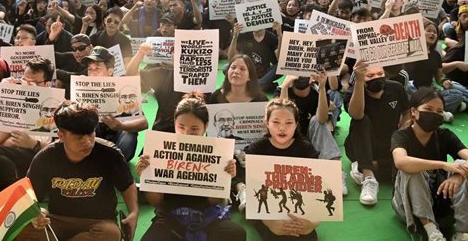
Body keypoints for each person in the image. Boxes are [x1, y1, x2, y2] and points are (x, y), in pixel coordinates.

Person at [17, 101, 138, 241]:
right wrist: (37, 214)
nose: (87, 142)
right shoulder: (46, 156)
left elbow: (127, 184)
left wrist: (134, 212)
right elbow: (29, 196)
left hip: (98, 223)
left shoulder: (110, 153)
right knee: (23, 229)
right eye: (79, 137)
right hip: (57, 220)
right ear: (61, 136)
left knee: (111, 233)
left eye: (90, 133)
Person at [136, 93, 245, 240]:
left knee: (235, 234)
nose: (186, 133)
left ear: (205, 126)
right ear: (174, 123)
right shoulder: (158, 149)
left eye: (194, 129)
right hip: (170, 217)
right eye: (181, 127)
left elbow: (213, 201)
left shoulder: (218, 153)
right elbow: (157, 202)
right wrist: (146, 176)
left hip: (207, 217)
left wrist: (225, 178)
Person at [391, 88, 468, 241]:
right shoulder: (402, 135)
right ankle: (432, 232)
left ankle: (463, 232)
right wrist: (443, 165)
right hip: (409, 209)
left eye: (439, 111)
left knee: (462, 165)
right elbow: (401, 162)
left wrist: (459, 176)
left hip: (442, 208)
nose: (434, 114)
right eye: (428, 109)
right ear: (414, 112)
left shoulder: (445, 135)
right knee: (412, 169)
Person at [241, 98, 319, 239]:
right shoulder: (256, 149)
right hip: (265, 207)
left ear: (296, 124)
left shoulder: (306, 149)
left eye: (288, 123)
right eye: (276, 122)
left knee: (306, 236)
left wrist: (311, 224)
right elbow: (255, 191)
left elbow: (315, 192)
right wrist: (269, 222)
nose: (282, 128)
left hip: (297, 204)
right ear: (267, 123)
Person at [0, 57, 54, 190]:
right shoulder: (19, 99)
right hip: (17, 153)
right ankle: (16, 181)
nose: (27, 86)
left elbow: (61, 148)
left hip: (41, 155)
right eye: (24, 81)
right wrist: (2, 91)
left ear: (47, 84)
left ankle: (15, 181)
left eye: (33, 83)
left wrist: (33, 144)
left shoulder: (56, 104)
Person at [345, 60, 410, 206]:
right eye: (370, 75)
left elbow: (407, 113)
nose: (376, 78)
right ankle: (368, 175)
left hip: (388, 143)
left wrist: (402, 131)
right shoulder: (354, 92)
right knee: (361, 120)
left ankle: (364, 166)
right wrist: (360, 82)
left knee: (407, 163)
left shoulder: (397, 88)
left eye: (380, 74)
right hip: (361, 144)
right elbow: (356, 114)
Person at [279, 72, 349, 196]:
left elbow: (322, 118)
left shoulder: (317, 93)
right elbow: (281, 119)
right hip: (290, 138)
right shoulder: (282, 92)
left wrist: (322, 88)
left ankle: (337, 173)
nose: (300, 76)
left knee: (317, 120)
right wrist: (284, 87)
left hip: (311, 137)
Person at [82, 47, 148, 161]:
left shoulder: (123, 89)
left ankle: (117, 163)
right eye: (90, 69)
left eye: (97, 68)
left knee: (130, 133)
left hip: (119, 140)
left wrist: (121, 125)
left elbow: (144, 123)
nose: (93, 74)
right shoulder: (81, 90)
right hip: (94, 139)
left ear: (110, 71)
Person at [228, 22, 282, 93]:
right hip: (248, 71)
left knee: (280, 67)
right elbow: (231, 59)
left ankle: (256, 85)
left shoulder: (272, 37)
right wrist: (235, 36)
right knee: (226, 68)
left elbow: (280, 60)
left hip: (266, 72)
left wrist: (280, 36)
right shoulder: (244, 35)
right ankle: (265, 85)